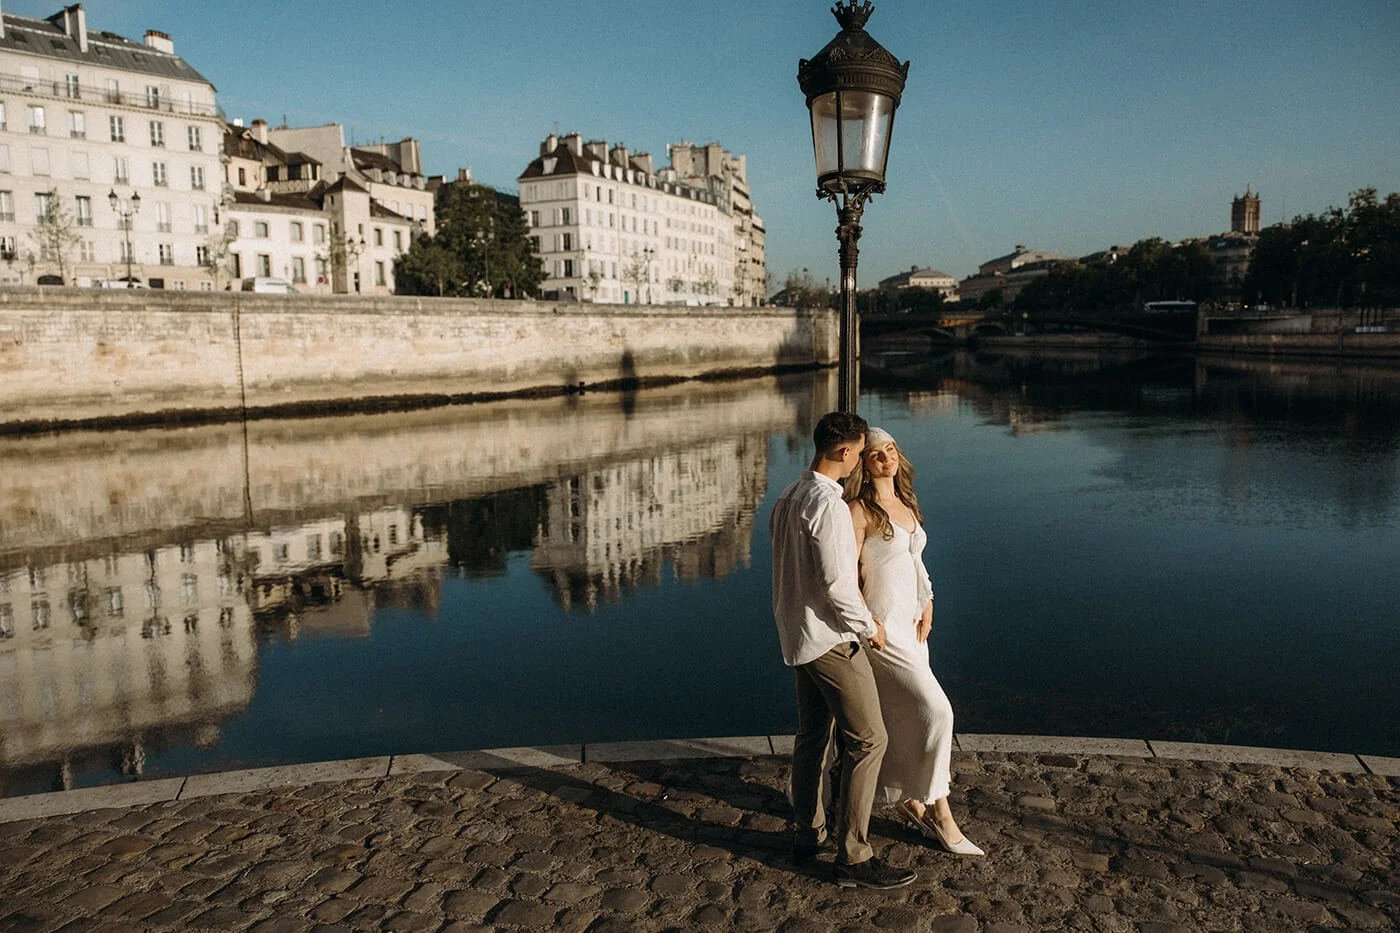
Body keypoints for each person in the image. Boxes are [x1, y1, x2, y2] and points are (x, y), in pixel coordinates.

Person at [770, 411, 918, 890]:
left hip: (798, 636)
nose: (859, 463)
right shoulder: (829, 505)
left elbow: (788, 572)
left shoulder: (788, 496)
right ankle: (853, 856)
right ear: (845, 452)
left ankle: (806, 834)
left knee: (812, 737)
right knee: (869, 739)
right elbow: (836, 583)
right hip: (832, 638)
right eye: (859, 452)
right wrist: (867, 626)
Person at [846, 426, 983, 856]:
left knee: (901, 716)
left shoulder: (906, 504)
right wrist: (869, 622)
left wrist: (929, 601)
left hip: (913, 625)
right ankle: (941, 814)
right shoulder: (859, 511)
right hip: (883, 631)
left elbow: (916, 562)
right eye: (875, 453)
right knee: (937, 711)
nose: (885, 458)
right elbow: (847, 575)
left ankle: (908, 800)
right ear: (864, 465)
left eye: (890, 450)